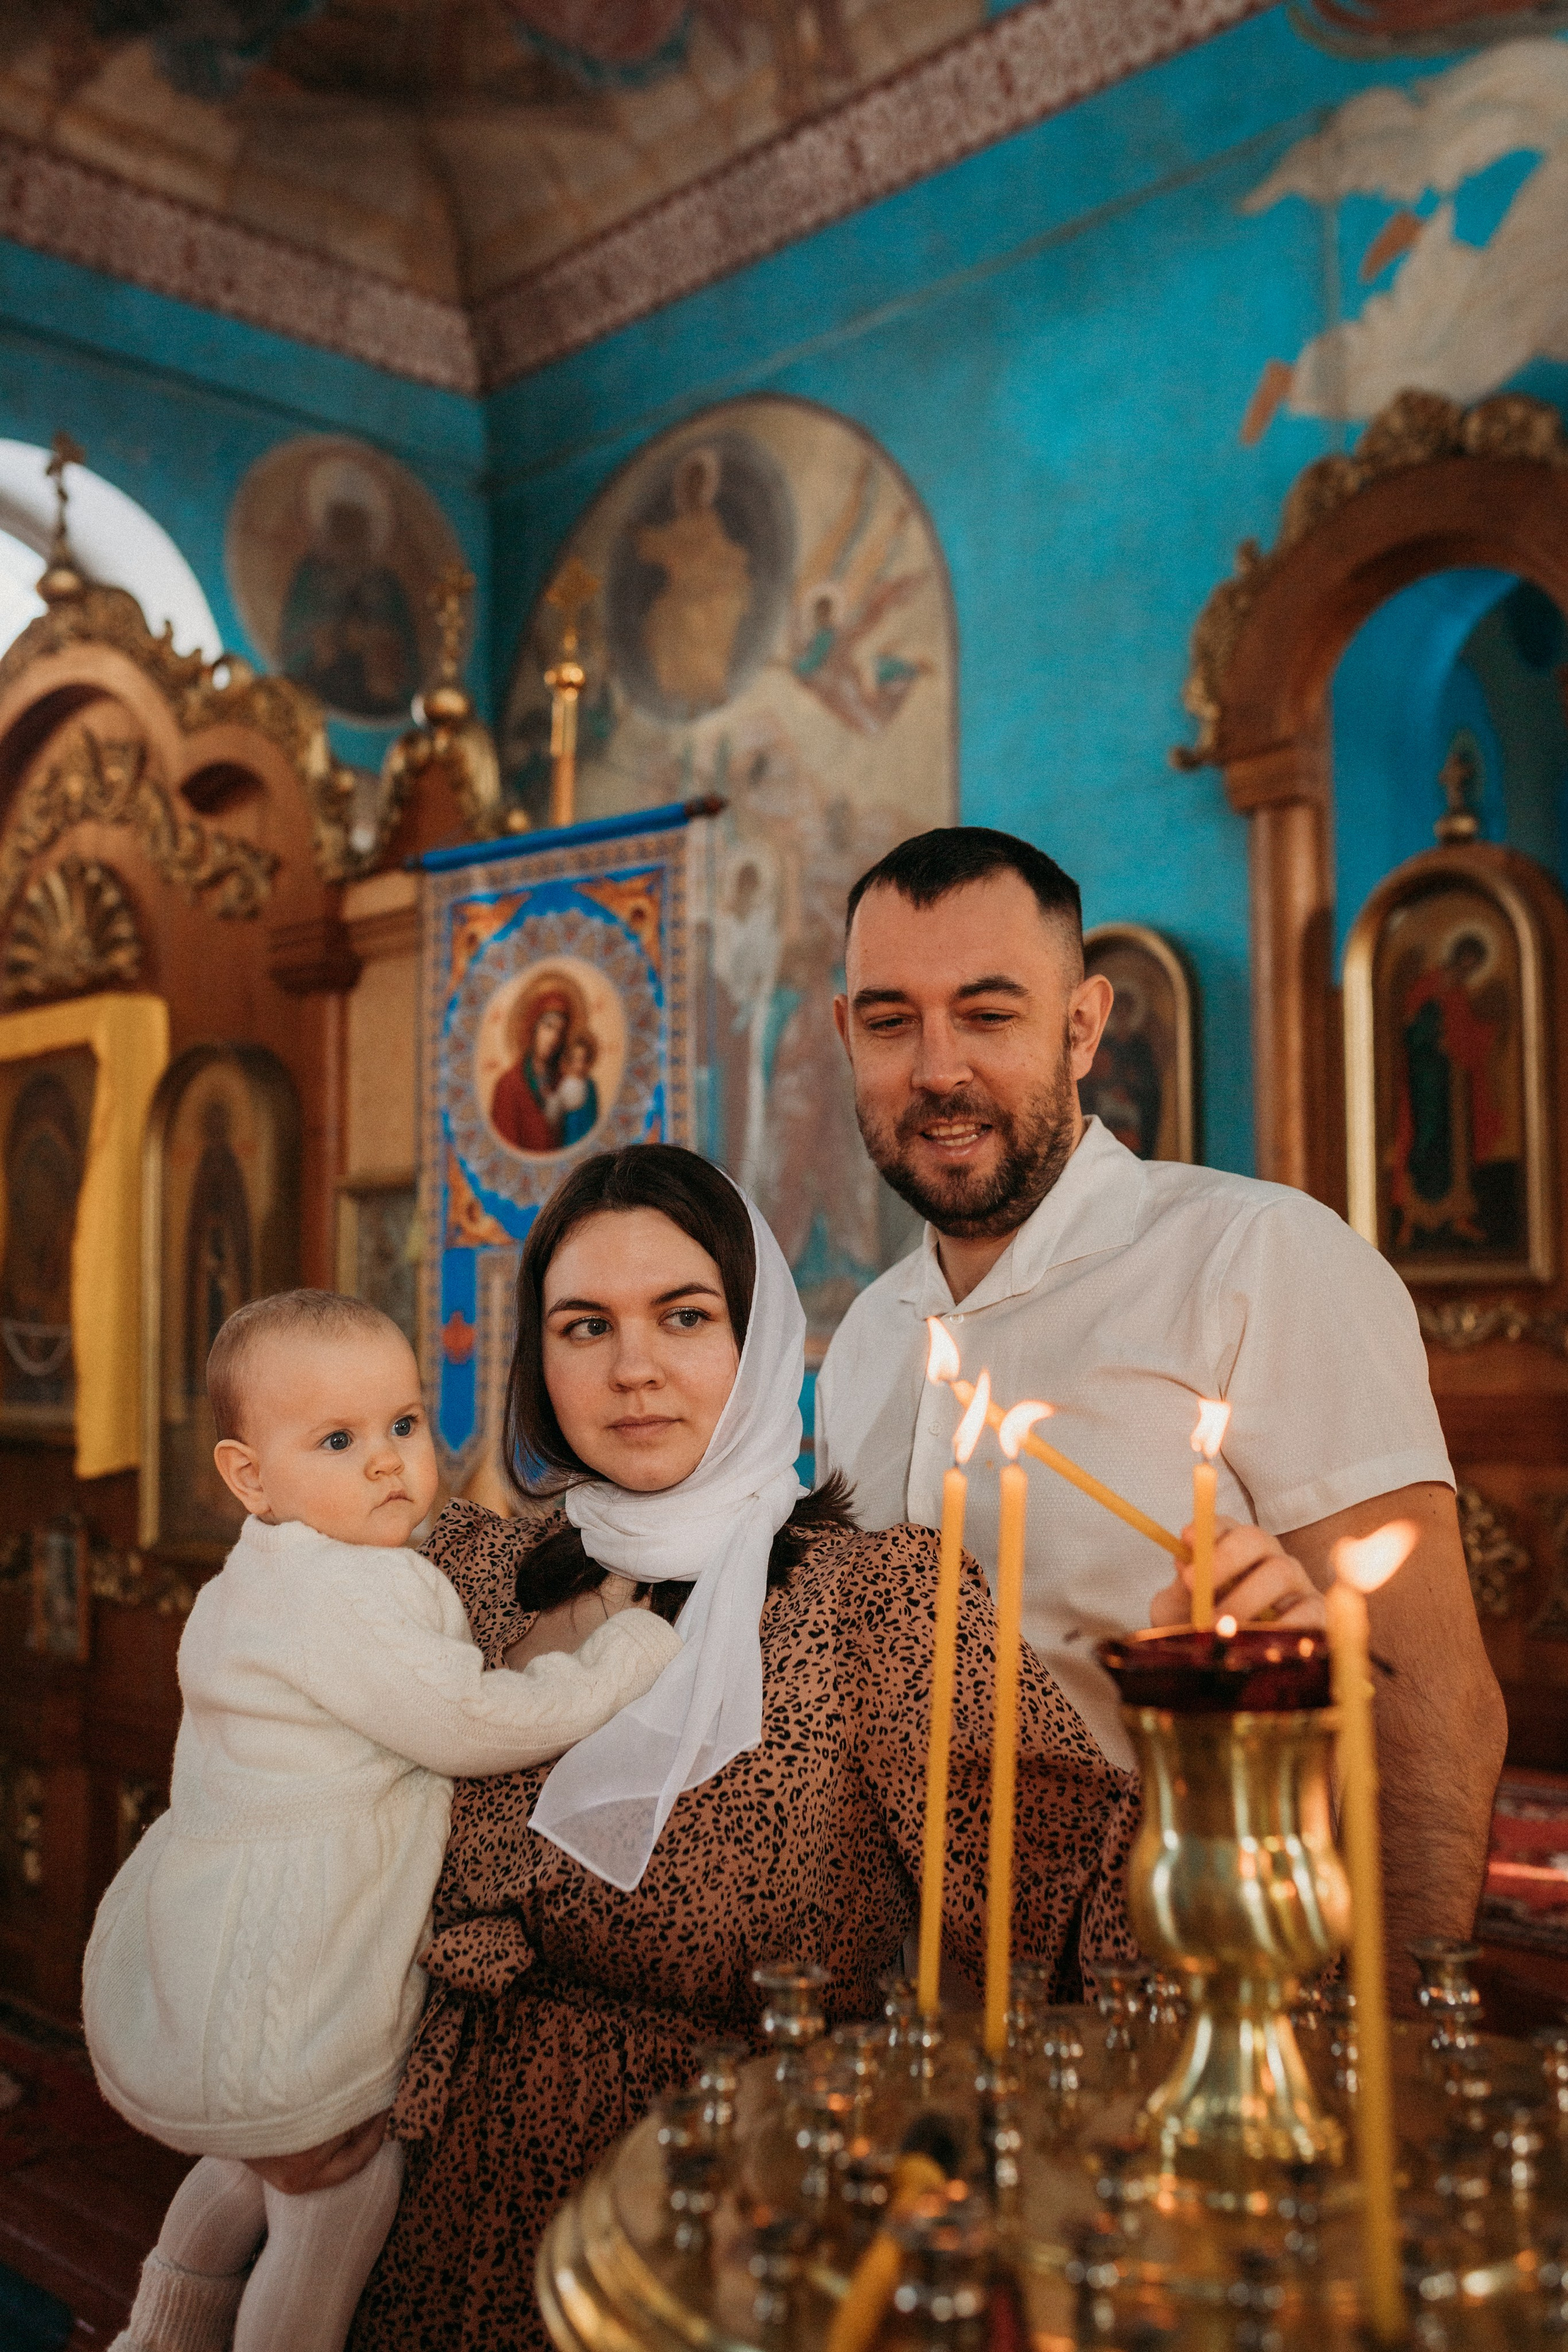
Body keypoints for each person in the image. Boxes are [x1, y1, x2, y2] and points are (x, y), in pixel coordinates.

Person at [350, 1144, 1137, 2351]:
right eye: (583, 1326)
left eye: (684, 1316)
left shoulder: (876, 1607)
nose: (633, 1368)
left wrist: (1240, 1751)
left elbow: (1079, 1907)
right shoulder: (475, 1582)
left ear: (758, 1340)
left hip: (738, 2236)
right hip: (444, 2217)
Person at [815, 826, 1508, 1985]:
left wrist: (1393, 2045)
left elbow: (1430, 1705)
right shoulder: (864, 1343)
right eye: (892, 1023)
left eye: (988, 1015)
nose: (938, 1069)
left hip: (1188, 1983)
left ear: (1083, 1027)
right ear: (847, 1035)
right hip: (915, 2007)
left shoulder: (1262, 1260)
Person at [85, 1290, 679, 2352]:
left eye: (403, 1424)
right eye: (338, 1440)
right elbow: (470, 1720)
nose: (385, 1462)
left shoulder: (265, 1574)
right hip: (300, 1964)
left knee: (251, 2166)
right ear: (249, 1477)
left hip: (225, 1945)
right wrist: (621, 1659)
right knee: (339, 2192)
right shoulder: (340, 1593)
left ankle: (161, 2331)